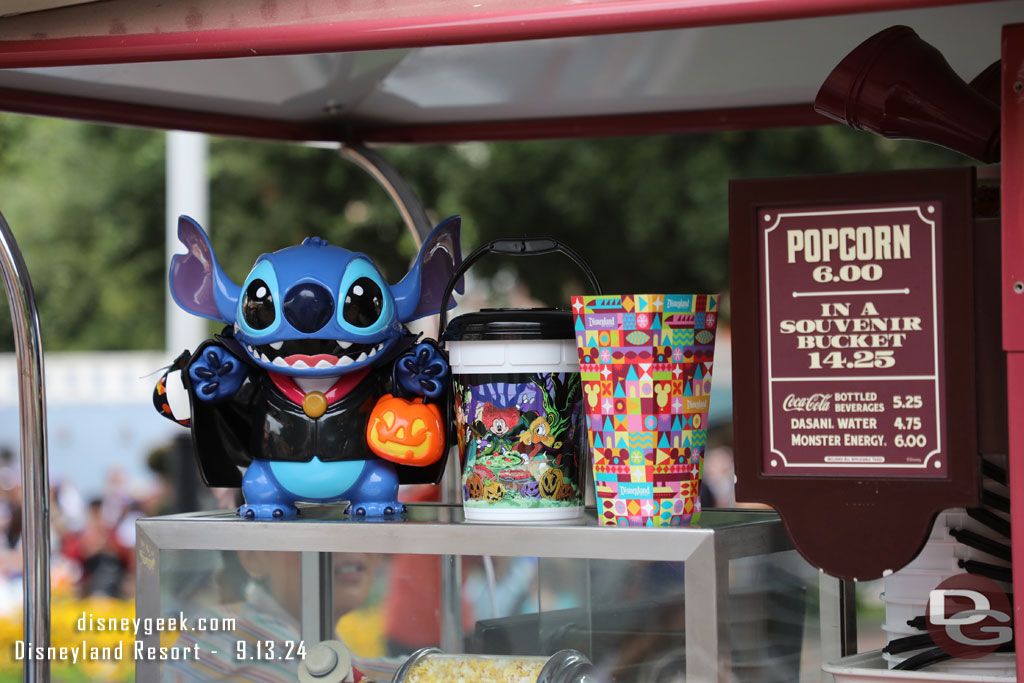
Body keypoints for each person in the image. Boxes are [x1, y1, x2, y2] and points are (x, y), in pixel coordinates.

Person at [163, 551, 379, 682]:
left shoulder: (316, 643)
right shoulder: (228, 642)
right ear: (253, 557)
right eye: (310, 526)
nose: (349, 547)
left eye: (360, 522)